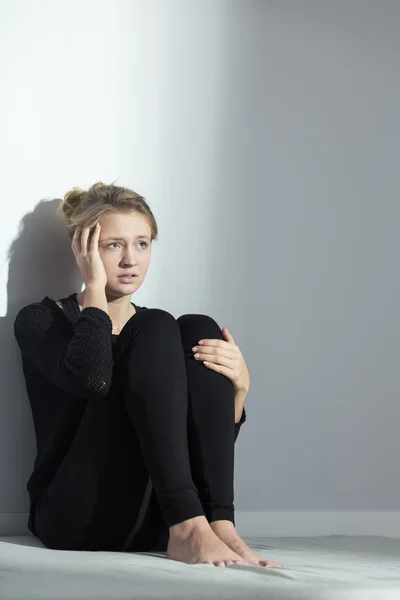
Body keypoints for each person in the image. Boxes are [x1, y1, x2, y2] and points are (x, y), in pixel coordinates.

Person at [13, 181, 280, 568]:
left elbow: (190, 444)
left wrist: (239, 391)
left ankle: (219, 525)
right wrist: (94, 290)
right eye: (113, 245)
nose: (130, 260)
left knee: (197, 326)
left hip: (155, 519)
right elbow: (93, 380)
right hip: (75, 517)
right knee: (154, 326)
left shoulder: (162, 341)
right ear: (83, 249)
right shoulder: (40, 321)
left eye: (142, 243)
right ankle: (191, 528)